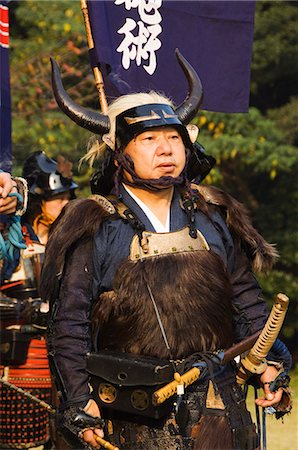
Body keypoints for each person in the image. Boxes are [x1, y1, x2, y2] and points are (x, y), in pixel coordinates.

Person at [41, 50, 292, 450]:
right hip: (128, 412)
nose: (166, 149)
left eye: (173, 137)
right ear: (120, 152)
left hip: (218, 407)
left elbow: (246, 300)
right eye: (149, 139)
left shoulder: (212, 214)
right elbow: (69, 323)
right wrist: (78, 399)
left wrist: (271, 363)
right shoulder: (94, 223)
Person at [0, 151, 77, 450]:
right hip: (20, 367)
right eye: (55, 198)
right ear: (37, 201)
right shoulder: (10, 242)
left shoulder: (76, 244)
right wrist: (25, 308)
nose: (65, 204)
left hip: (68, 368)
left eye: (67, 196)